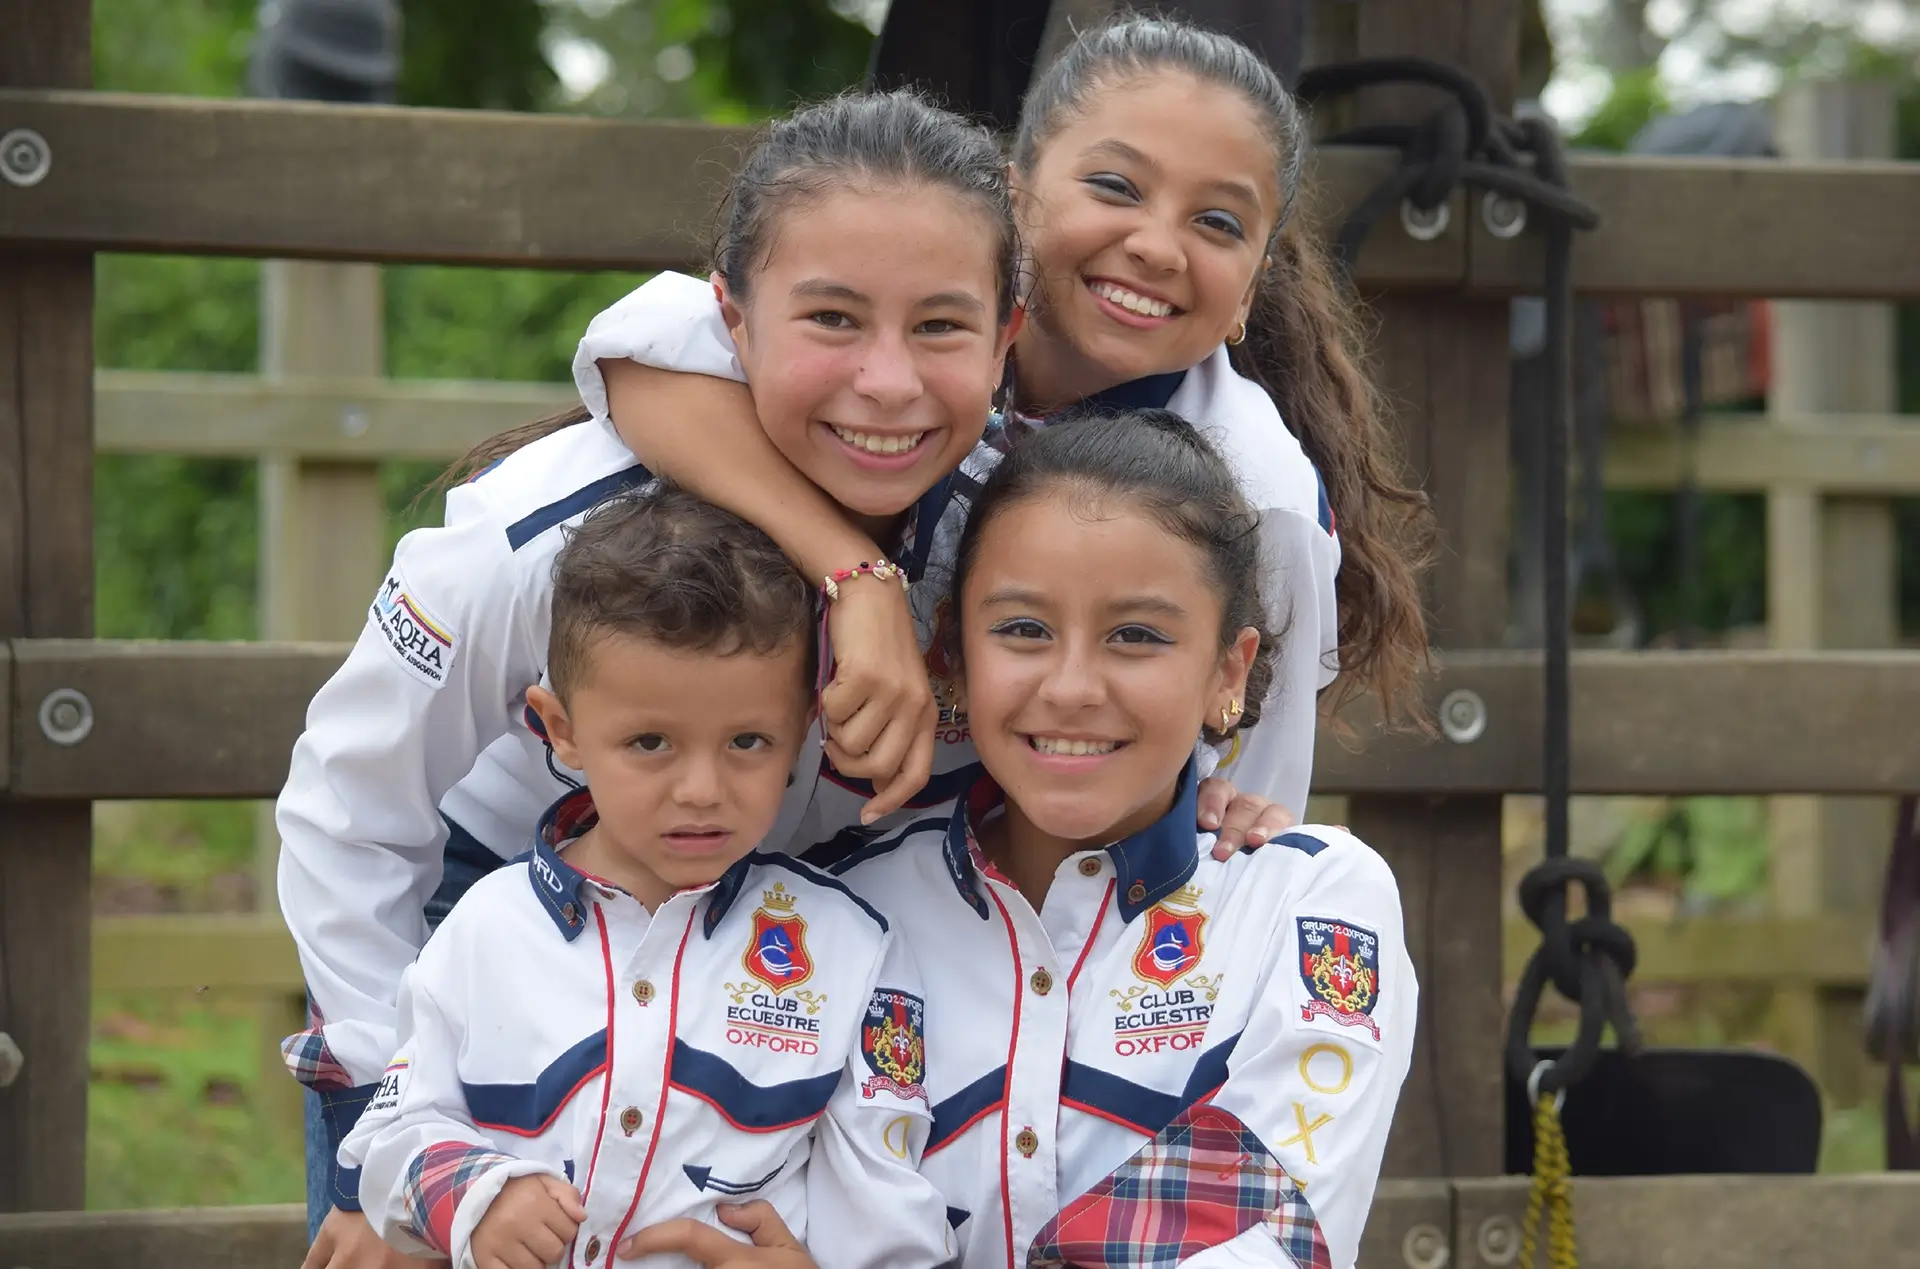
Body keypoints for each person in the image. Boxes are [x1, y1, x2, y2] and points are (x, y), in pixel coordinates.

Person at [280, 88, 1285, 1269]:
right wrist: (375, 1145)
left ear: (1009, 340)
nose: (888, 383)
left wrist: (1204, 795)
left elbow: (1116, 669)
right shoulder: (535, 543)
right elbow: (352, 814)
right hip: (492, 977)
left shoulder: (1009, 532)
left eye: (942, 329)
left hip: (793, 1011)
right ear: (730, 323)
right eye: (833, 320)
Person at [573, 15, 1433, 831]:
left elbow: (1252, 788)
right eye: (1114, 186)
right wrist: (856, 574)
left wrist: (1234, 810)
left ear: (1252, 284)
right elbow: (635, 354)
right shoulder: (902, 318)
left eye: (1217, 222)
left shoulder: (1259, 491)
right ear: (1016, 197)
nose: (1159, 246)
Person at [829, 409, 1415, 1269]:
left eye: (1136, 636)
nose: (1070, 687)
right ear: (951, 649)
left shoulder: (1310, 903)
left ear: (1229, 670)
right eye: (1023, 629)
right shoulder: (840, 912)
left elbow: (1257, 1247)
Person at [338, 487, 954, 1269]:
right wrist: (476, 1192)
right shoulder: (482, 928)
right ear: (560, 728)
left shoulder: (851, 951)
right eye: (651, 741)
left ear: (805, 728)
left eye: (747, 741)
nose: (701, 787)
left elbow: (889, 1202)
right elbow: (391, 1136)